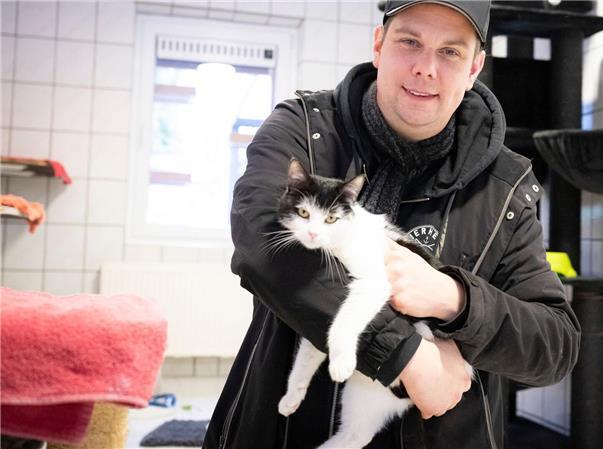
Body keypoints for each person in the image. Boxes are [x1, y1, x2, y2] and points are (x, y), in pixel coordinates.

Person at [202, 1, 580, 448]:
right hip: (281, 432)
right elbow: (260, 240)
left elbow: (555, 345)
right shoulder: (302, 127)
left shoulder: (506, 185)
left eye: (450, 52)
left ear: (474, 68)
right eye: (410, 42)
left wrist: (456, 298)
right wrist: (406, 355)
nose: (426, 68)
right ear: (379, 45)